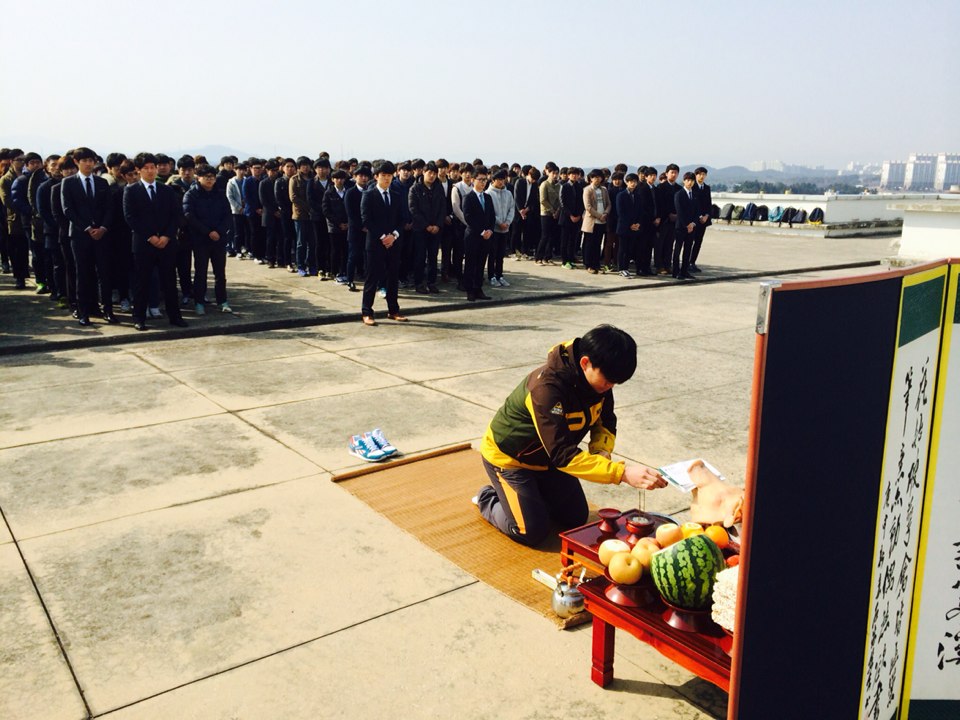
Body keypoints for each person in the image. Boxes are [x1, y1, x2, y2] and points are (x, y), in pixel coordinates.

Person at [475, 324, 668, 546]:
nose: (610, 387)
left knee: (575, 518)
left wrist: (601, 450)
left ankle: (529, 498)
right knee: (531, 531)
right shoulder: (546, 389)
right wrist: (622, 473)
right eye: (608, 381)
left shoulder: (599, 383)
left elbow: (605, 421)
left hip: (548, 461)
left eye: (615, 383)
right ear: (585, 363)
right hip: (511, 461)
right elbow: (562, 455)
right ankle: (488, 497)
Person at [123, 152, 188, 330]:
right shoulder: (131, 190)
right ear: (138, 170)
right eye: (146, 168)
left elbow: (175, 215)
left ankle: (175, 317)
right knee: (142, 282)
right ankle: (139, 318)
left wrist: (166, 236)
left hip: (167, 243)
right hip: (144, 244)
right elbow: (131, 217)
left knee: (169, 281)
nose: (150, 171)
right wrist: (150, 236)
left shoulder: (166, 190)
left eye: (153, 167)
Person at [60, 147, 115, 326]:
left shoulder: (101, 182)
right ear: (77, 162)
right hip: (80, 235)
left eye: (91, 160)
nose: (88, 164)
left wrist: (103, 228)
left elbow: (109, 208)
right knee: (82, 274)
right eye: (84, 161)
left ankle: (108, 310)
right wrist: (87, 228)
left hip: (102, 235)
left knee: (105, 273)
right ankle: (83, 312)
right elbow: (68, 209)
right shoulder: (68, 182)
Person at [359, 160, 406, 325]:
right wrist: (383, 237)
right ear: (376, 176)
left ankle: (393, 310)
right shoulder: (369, 195)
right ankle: (367, 312)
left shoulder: (397, 195)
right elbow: (366, 220)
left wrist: (394, 235)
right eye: (383, 175)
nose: (387, 178)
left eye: (389, 175)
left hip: (394, 242)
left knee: (393, 277)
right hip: (375, 243)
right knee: (372, 277)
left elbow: (403, 218)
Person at [184, 164, 233, 313]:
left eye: (212, 177)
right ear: (198, 178)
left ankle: (222, 301)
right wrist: (207, 232)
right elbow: (189, 216)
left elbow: (227, 215)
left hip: (219, 239)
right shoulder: (191, 194)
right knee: (201, 272)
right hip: (201, 239)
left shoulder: (220, 194)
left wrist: (219, 231)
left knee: (220, 273)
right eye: (206, 177)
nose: (210, 180)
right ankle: (199, 302)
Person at [407, 160, 445, 294]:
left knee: (433, 257)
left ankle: (432, 282)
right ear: (423, 172)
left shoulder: (439, 188)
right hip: (420, 229)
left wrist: (438, 225)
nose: (432, 176)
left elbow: (443, 208)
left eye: (434, 173)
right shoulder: (415, 188)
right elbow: (413, 209)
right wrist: (426, 226)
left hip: (436, 229)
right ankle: (419, 283)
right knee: (420, 257)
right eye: (429, 173)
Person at [461, 165, 495, 302]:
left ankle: (478, 288)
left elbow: (492, 216)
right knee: (471, 263)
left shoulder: (488, 197)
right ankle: (469, 290)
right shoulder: (468, 197)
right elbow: (468, 217)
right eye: (480, 179)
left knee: (481, 263)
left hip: (486, 236)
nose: (483, 182)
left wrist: (490, 230)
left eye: (485, 180)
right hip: (473, 235)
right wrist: (482, 231)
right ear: (473, 180)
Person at [485, 168, 515, 287]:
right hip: (494, 229)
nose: (502, 182)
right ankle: (491, 276)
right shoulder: (488, 193)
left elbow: (512, 208)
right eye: (499, 180)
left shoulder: (508, 193)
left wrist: (507, 222)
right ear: (493, 180)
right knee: (492, 254)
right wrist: (499, 223)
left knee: (501, 254)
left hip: (505, 229)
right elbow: (490, 212)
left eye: (503, 179)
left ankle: (500, 275)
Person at [581, 169, 609, 275]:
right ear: (591, 178)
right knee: (589, 244)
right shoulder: (587, 189)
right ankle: (589, 265)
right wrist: (599, 216)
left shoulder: (604, 190)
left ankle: (597, 265)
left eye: (599, 177)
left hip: (602, 221)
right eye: (595, 177)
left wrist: (605, 214)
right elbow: (588, 207)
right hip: (591, 221)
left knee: (598, 244)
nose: (597, 179)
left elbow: (609, 204)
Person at [673, 172, 699, 279]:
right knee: (677, 249)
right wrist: (686, 225)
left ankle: (684, 271)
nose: (690, 182)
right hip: (681, 227)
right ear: (684, 181)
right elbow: (679, 212)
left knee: (688, 250)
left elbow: (697, 211)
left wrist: (693, 224)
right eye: (688, 180)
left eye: (692, 180)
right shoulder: (679, 194)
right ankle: (675, 272)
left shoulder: (695, 195)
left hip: (692, 227)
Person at [615, 173, 641, 277]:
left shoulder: (638, 196)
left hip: (634, 227)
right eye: (631, 182)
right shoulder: (621, 195)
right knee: (622, 249)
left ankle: (626, 268)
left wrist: (638, 223)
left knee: (630, 249)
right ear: (626, 182)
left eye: (635, 182)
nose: (633, 184)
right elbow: (620, 212)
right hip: (624, 227)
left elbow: (640, 211)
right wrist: (630, 224)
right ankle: (621, 268)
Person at [536, 162, 561, 265]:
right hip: (546, 213)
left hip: (555, 214)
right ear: (548, 173)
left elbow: (560, 200)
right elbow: (542, 200)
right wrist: (552, 210)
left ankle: (547, 257)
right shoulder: (544, 184)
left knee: (552, 236)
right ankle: (538, 257)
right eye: (553, 173)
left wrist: (557, 211)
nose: (555, 175)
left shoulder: (559, 185)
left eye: (556, 173)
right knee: (545, 236)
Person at [691, 166, 712, 272]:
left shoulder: (707, 188)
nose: (702, 176)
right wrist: (699, 216)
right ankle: (686, 263)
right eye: (699, 174)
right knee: (689, 242)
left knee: (698, 242)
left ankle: (692, 262)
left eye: (704, 174)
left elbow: (709, 203)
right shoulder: (692, 186)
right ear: (696, 175)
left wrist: (706, 216)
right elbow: (693, 204)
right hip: (694, 219)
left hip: (704, 220)